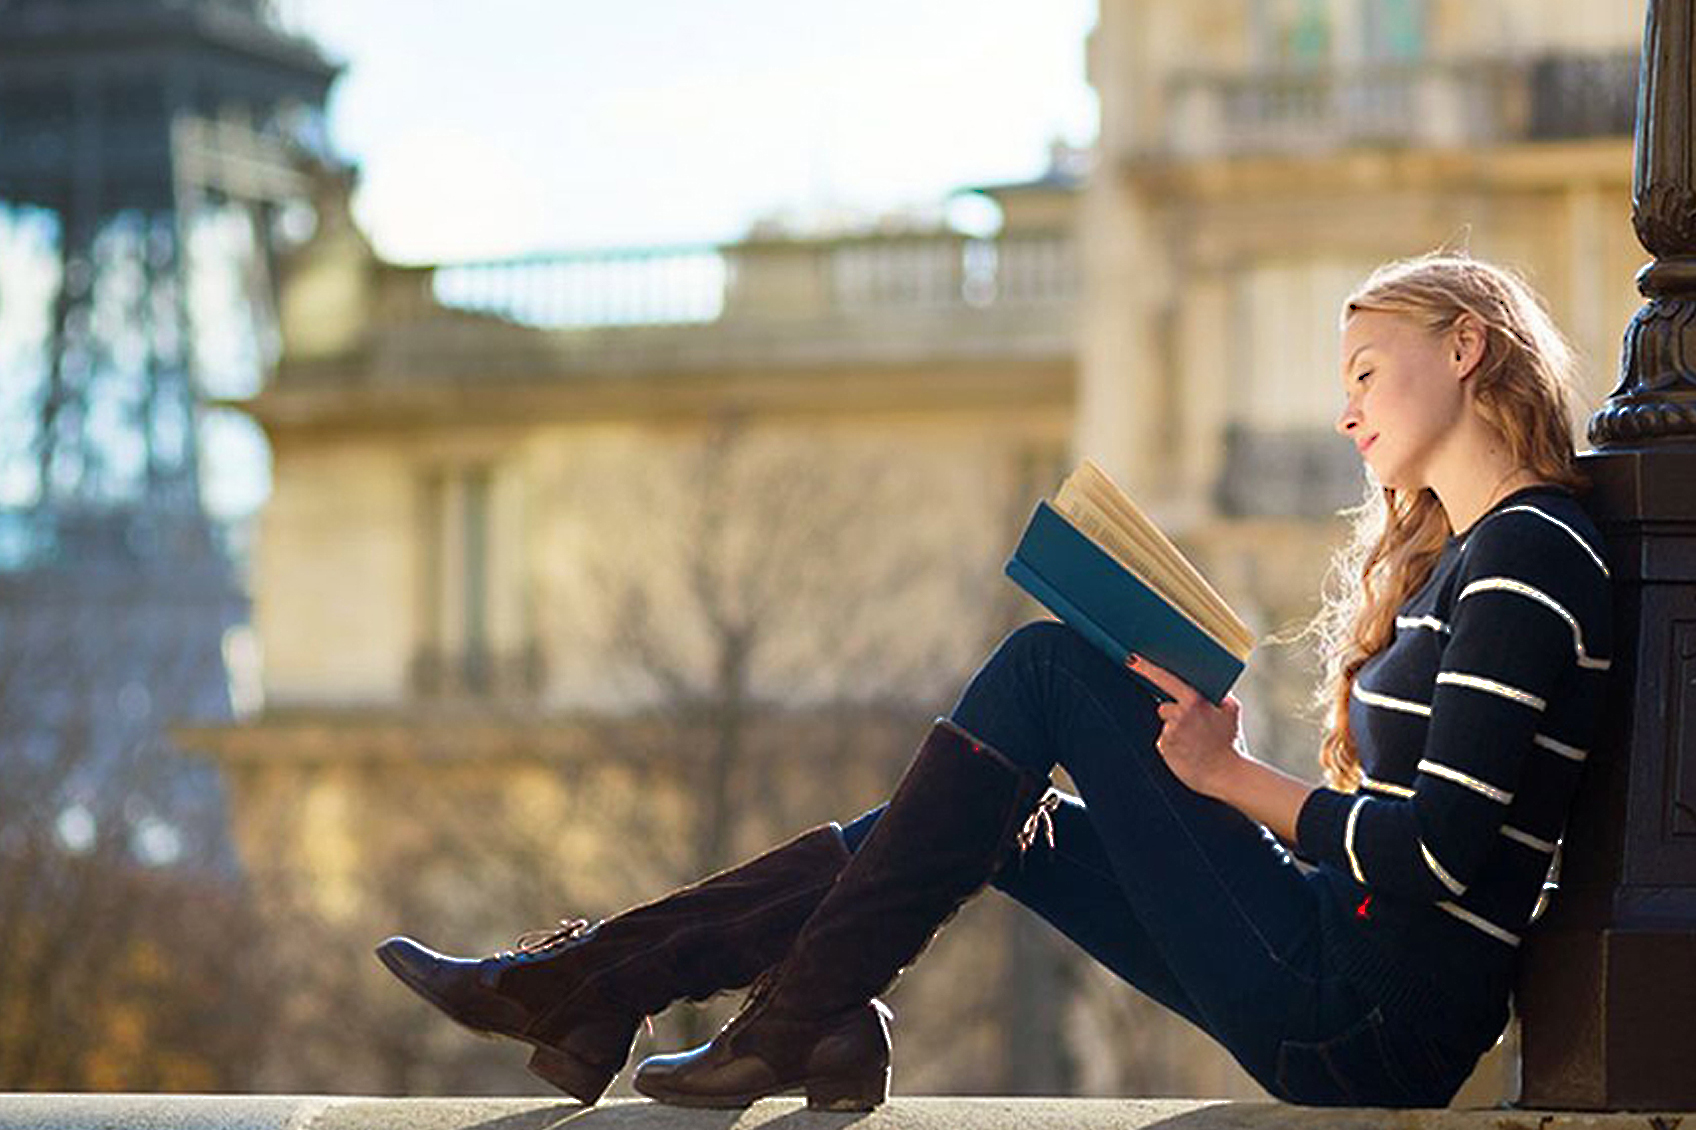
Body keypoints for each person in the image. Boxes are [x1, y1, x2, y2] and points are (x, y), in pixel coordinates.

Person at [375, 252, 1613, 1110]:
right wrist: (1212, 768)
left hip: (1367, 1013)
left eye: (1364, 369)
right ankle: (727, 1004)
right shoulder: (1480, 555)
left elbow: (1440, 852)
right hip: (1338, 967)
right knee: (1008, 818)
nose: (1344, 410)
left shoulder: (1526, 553)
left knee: (1045, 671)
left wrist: (1229, 778)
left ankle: (632, 989)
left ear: (1466, 347)